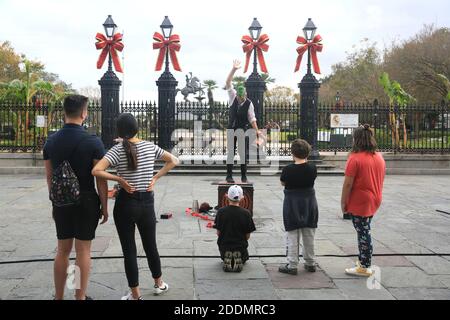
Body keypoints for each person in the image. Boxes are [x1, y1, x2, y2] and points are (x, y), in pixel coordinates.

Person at [92, 113, 179, 300]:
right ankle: (159, 284)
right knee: (151, 246)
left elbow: (96, 170)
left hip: (125, 204)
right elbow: (174, 160)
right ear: (137, 128)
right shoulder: (149, 147)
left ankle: (135, 295)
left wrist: (119, 179)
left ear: (119, 132)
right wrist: (155, 177)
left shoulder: (116, 150)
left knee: (129, 250)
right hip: (146, 202)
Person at [43, 95, 108, 300]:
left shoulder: (51, 142)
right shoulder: (93, 142)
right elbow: (101, 180)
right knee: (82, 251)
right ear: (83, 113)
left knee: (63, 249)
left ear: (64, 113)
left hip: (61, 202)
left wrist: (56, 202)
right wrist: (104, 207)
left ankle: (59, 297)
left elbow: (49, 177)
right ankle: (79, 297)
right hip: (86, 201)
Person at [341, 124, 386, 277]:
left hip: (360, 201)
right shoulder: (378, 156)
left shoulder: (354, 159)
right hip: (375, 198)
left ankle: (365, 266)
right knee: (365, 229)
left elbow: (348, 184)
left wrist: (343, 203)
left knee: (363, 233)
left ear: (356, 139)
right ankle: (363, 260)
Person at [278, 139, 319, 275]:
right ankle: (310, 262)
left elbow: (283, 183)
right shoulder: (312, 168)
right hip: (309, 202)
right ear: (307, 152)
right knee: (309, 233)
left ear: (292, 153)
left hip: (292, 203)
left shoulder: (288, 169)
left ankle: (292, 264)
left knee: (292, 234)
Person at [225, 60, 262, 183]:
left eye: (243, 97)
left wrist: (257, 131)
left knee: (242, 154)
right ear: (237, 95)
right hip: (231, 129)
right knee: (231, 153)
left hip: (242, 129)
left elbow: (252, 119)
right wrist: (234, 69)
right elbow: (228, 82)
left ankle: (243, 176)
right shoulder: (232, 97)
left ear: (245, 94)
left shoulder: (249, 103)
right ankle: (229, 176)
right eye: (239, 97)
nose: (241, 99)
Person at [214, 185, 256, 272]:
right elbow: (247, 236)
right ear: (242, 198)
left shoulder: (221, 212)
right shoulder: (246, 213)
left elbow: (218, 233)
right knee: (245, 257)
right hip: (240, 246)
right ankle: (238, 256)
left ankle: (227, 256)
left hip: (224, 246)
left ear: (226, 196)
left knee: (225, 251)